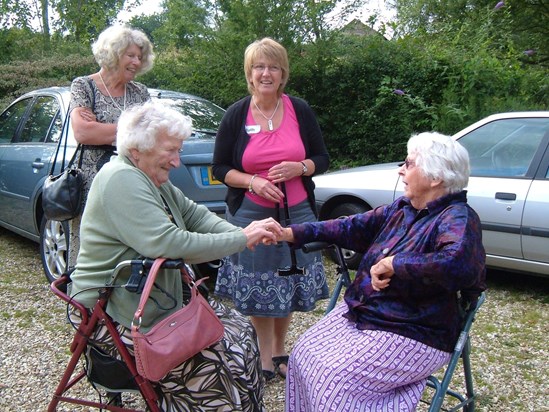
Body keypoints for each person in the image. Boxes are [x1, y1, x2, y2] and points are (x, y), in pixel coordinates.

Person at [70, 101, 283, 411]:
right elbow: (168, 242)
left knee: (240, 333)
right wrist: (239, 239)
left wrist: (242, 235)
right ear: (137, 149)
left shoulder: (152, 178)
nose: (177, 162)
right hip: (113, 313)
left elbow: (195, 216)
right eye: (171, 151)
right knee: (213, 368)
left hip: (154, 304)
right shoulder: (120, 178)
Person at [278, 132, 487, 411]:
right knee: (303, 355)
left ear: (435, 178)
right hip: (369, 311)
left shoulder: (458, 217)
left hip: (415, 328)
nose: (401, 170)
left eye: (409, 163)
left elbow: (458, 265)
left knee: (337, 379)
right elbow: (349, 226)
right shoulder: (403, 209)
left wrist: (394, 263)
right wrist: (292, 232)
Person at [212, 37, 330, 382]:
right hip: (251, 213)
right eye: (259, 67)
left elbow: (322, 158)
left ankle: (280, 349)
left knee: (287, 281)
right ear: (250, 73)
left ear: (283, 73)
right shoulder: (237, 114)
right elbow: (220, 168)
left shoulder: (299, 109)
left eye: (273, 67)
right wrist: (251, 181)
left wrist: (301, 167)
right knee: (258, 283)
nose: (266, 73)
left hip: (298, 214)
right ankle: (264, 355)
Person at [68, 24, 155, 269]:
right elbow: (83, 132)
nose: (137, 62)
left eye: (140, 56)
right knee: (91, 241)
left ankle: (120, 301)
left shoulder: (140, 93)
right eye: (131, 55)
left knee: (129, 239)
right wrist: (131, 132)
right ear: (113, 53)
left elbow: (151, 136)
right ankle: (84, 301)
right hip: (92, 180)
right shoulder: (84, 86)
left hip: (132, 178)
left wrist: (104, 130)